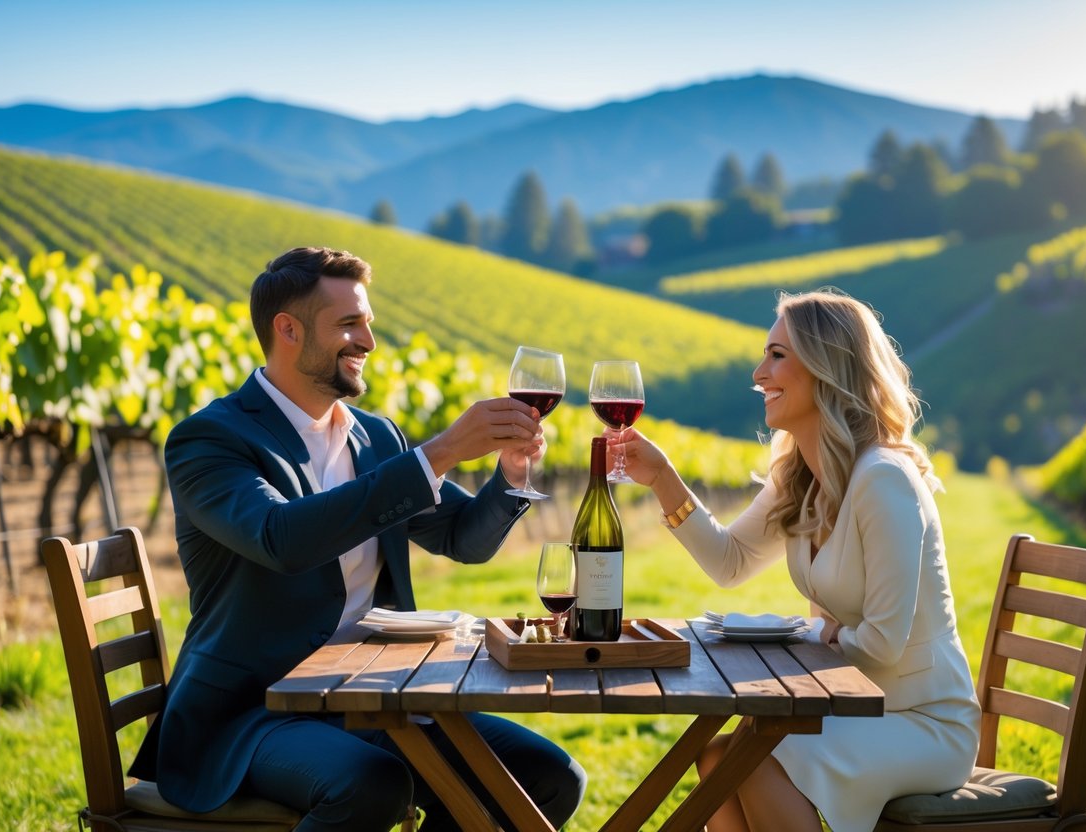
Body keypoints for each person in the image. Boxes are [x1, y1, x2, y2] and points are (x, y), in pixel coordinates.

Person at [129, 247, 585, 831]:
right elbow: (281, 539)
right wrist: (440, 452)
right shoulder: (210, 440)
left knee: (547, 776)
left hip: (372, 695)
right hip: (251, 713)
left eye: (367, 322)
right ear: (287, 330)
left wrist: (512, 474)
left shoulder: (375, 438)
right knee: (373, 784)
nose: (368, 341)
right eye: (349, 324)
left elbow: (462, 540)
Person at [608, 289, 981, 832]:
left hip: (923, 721)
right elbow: (730, 562)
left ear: (827, 366)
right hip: (860, 710)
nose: (759, 373)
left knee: (753, 765)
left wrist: (819, 637)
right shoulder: (800, 478)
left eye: (777, 355)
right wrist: (663, 478)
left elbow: (882, 642)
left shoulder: (883, 479)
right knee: (716, 758)